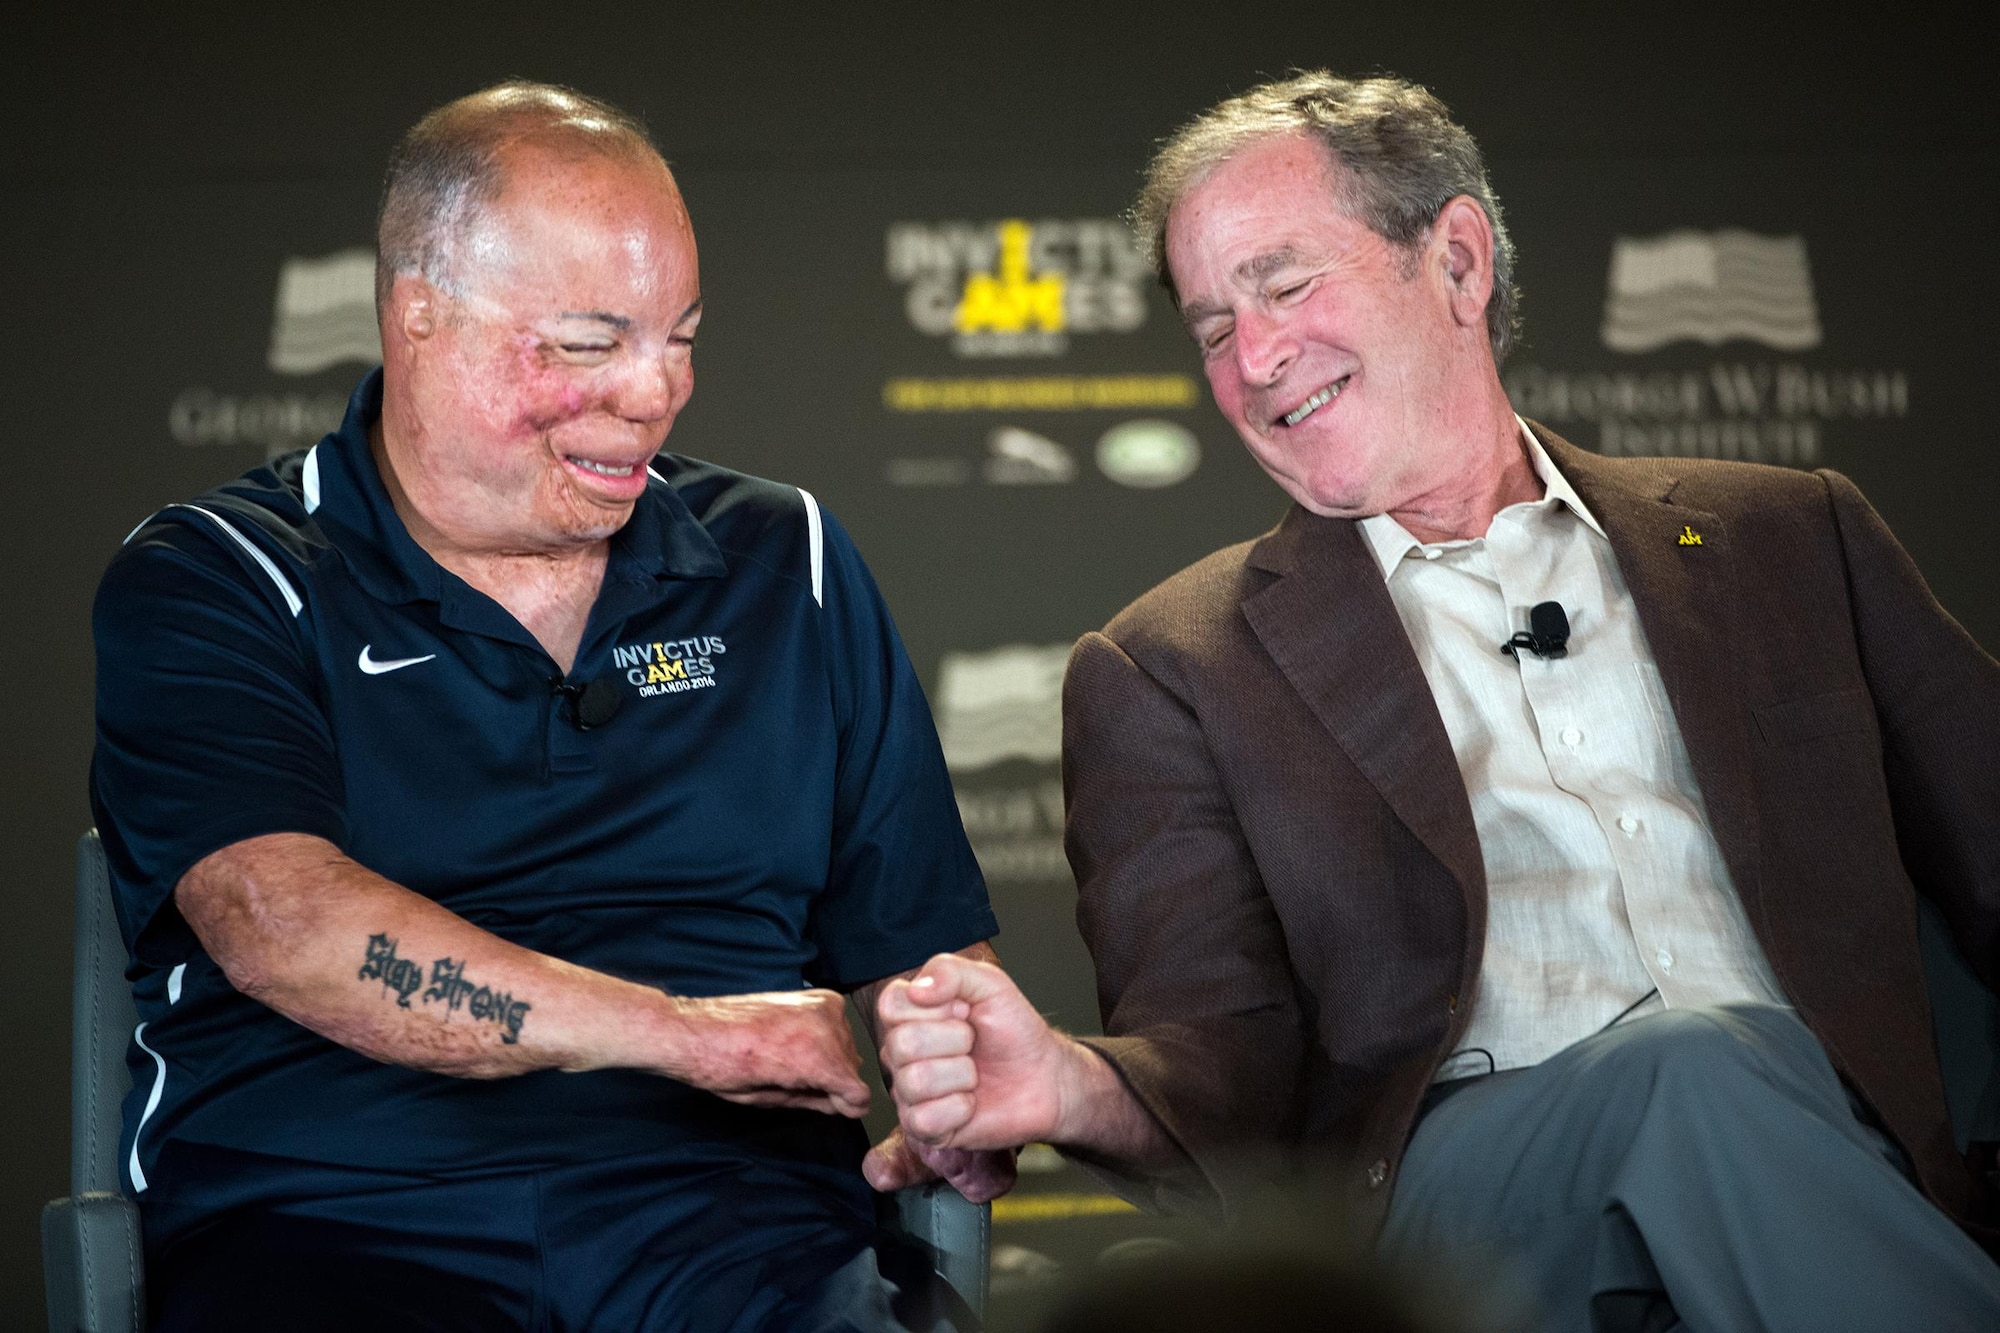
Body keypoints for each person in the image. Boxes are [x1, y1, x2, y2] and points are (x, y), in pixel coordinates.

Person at [870, 71, 2000, 1329]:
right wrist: (1071, 1088)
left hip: (1829, 1162)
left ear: (1456, 262)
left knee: (1720, 1075)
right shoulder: (1171, 666)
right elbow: (1222, 1070)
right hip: (1462, 1217)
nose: (1252, 359)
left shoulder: (1786, 540)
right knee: (1684, 1067)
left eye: (1286, 285)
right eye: (1208, 327)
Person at [92, 81, 1010, 1332]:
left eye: (680, 333)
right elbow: (282, 922)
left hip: (738, 1228)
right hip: (332, 1217)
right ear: (420, 316)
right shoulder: (219, 571)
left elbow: (922, 944)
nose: (653, 392)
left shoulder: (781, 556)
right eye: (588, 343)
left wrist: (958, 1063)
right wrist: (690, 1037)